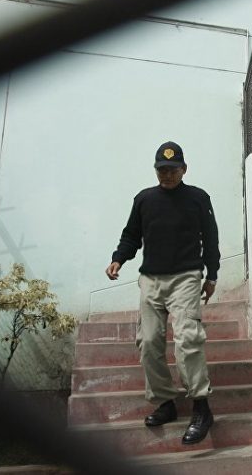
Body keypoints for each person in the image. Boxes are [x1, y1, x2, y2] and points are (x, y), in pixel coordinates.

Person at [105, 141, 220, 445]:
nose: (167, 174)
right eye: (161, 170)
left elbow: (210, 238)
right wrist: (118, 258)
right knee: (148, 341)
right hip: (151, 280)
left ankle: (201, 407)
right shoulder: (144, 200)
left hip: (186, 278)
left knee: (188, 340)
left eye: (172, 169)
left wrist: (212, 274)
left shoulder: (198, 198)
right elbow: (131, 235)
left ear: (184, 169)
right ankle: (166, 402)